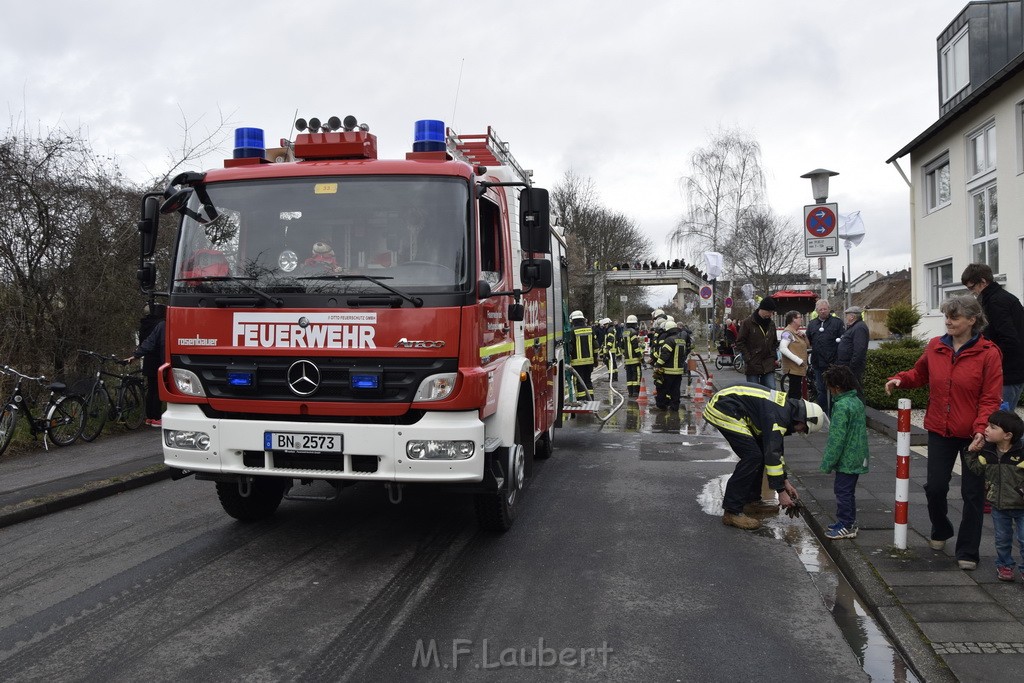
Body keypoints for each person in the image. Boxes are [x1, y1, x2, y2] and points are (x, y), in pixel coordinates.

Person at [885, 295, 1004, 570]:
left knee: (972, 494)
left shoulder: (989, 353)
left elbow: (991, 398)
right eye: (946, 317)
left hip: (974, 435)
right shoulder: (936, 346)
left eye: (955, 317)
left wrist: (980, 431)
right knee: (935, 487)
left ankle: (968, 551)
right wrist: (900, 379)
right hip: (940, 429)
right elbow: (919, 373)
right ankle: (941, 528)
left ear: (972, 320)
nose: (948, 322)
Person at [705, 384, 829, 530]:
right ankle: (732, 511)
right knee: (752, 457)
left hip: (731, 405)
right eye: (804, 429)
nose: (800, 432)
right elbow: (772, 454)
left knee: (759, 453)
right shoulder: (778, 418)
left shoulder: (785, 410)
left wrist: (784, 482)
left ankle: (751, 500)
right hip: (723, 408)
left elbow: (775, 452)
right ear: (802, 419)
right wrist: (781, 493)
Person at [964, 409, 1024, 581]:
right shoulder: (988, 452)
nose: (986, 430)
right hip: (998, 506)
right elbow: (976, 469)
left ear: (1007, 435)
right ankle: (1004, 565)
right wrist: (971, 452)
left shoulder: (1020, 453)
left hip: (1021, 505)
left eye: (992, 427)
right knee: (1002, 539)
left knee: (1023, 539)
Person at [962, 263, 1024, 410]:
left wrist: (990, 365)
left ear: (983, 282)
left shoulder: (995, 302)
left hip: (1006, 374)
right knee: (1005, 420)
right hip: (1013, 371)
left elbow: (1009, 339)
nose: (972, 293)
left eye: (972, 288)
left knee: (1000, 422)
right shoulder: (1006, 298)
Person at [819, 365, 869, 540]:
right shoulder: (856, 402)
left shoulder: (841, 406)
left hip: (847, 458)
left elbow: (836, 439)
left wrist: (827, 463)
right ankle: (847, 522)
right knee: (848, 491)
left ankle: (846, 525)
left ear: (837, 387)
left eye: (830, 387)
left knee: (842, 491)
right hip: (857, 455)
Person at [128, 306, 166, 427]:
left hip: (148, 360)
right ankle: (156, 417)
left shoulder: (144, 324)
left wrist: (136, 355)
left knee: (151, 390)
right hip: (159, 360)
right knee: (158, 391)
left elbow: (146, 342)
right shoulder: (161, 324)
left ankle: (149, 417)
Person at [806, 299, 844, 413]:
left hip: (833, 363)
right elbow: (809, 341)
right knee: (821, 390)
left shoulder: (837, 323)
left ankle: (835, 413)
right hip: (818, 362)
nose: (823, 311)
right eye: (820, 309)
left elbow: (843, 341)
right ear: (817, 311)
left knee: (835, 389)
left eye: (825, 309)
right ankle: (823, 414)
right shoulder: (812, 324)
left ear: (829, 309)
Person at [735, 297, 779, 389]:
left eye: (772, 312)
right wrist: (748, 358)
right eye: (769, 312)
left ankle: (768, 404)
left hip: (768, 363)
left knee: (771, 389)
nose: (771, 315)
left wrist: (773, 356)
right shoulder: (748, 323)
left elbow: (774, 342)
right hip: (753, 363)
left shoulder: (771, 324)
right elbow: (740, 342)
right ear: (762, 309)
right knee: (755, 392)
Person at [654, 321, 690, 411]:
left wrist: (658, 364)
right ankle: (675, 406)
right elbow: (684, 354)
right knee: (675, 389)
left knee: (663, 388)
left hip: (668, 370)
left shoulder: (669, 340)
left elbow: (665, 355)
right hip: (678, 371)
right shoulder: (681, 341)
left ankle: (662, 405)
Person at [779, 310, 809, 402]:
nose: (801, 319)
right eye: (799, 317)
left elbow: (808, 346)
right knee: (794, 394)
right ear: (793, 320)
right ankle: (792, 414)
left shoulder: (796, 333)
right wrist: (798, 360)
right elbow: (783, 348)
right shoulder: (787, 333)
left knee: (796, 392)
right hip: (793, 369)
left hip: (798, 369)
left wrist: (804, 336)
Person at [836, 306, 869, 389]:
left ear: (852, 317)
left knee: (855, 389)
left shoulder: (859, 328)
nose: (846, 318)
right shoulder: (854, 326)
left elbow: (859, 350)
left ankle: (859, 402)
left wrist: (851, 367)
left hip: (852, 368)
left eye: (847, 315)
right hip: (846, 366)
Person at [568, 310, 596, 400]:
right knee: (588, 380)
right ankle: (590, 399)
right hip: (590, 362)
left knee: (579, 382)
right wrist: (595, 359)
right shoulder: (590, 329)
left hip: (577, 363)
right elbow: (596, 346)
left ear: (573, 321)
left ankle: (582, 400)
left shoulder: (572, 331)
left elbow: (570, 347)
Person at [621, 315, 644, 398]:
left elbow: (622, 346)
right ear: (635, 323)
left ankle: (630, 392)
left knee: (629, 376)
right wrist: (641, 357)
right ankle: (635, 391)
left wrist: (625, 356)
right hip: (635, 359)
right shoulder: (633, 332)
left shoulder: (625, 333)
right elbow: (635, 347)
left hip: (627, 359)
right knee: (636, 375)